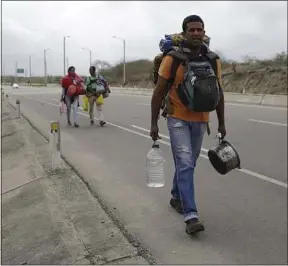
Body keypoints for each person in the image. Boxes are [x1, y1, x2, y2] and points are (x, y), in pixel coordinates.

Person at [150, 15, 226, 235]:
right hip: (177, 119)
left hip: (201, 120)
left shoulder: (213, 59)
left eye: (199, 30)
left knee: (189, 164)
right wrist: (153, 123)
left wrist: (221, 123)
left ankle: (176, 196)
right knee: (184, 163)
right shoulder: (173, 58)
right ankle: (191, 216)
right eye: (191, 30)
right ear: (184, 33)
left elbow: (219, 93)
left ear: (204, 32)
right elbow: (158, 92)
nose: (195, 33)